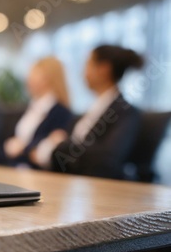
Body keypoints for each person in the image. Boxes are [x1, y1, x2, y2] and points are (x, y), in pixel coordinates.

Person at [32, 45, 143, 179]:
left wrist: (60, 146)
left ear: (103, 69)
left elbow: (107, 159)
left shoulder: (125, 112)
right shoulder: (94, 109)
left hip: (99, 187)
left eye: (88, 64)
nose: (83, 72)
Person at [4, 57, 72, 168]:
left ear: (47, 78)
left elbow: (46, 151)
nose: (28, 78)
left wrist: (23, 148)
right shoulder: (32, 107)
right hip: (16, 167)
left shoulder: (61, 112)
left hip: (36, 173)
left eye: (34, 73)